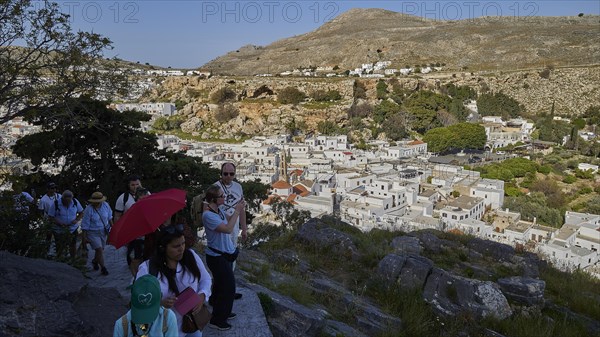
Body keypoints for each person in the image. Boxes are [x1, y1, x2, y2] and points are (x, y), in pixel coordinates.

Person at [136, 225, 212, 337]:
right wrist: (159, 303)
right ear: (163, 248)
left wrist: (202, 295)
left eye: (183, 243)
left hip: (192, 324)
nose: (181, 249)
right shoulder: (147, 269)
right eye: (176, 246)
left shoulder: (191, 257)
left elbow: (205, 279)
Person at [202, 185, 245, 331]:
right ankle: (218, 319)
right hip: (216, 256)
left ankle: (218, 305)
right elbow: (227, 229)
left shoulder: (218, 210)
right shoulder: (208, 215)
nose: (224, 197)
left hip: (222, 254)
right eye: (221, 196)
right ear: (214, 199)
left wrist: (237, 209)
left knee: (220, 284)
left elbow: (229, 220)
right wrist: (238, 211)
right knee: (229, 287)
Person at [214, 162, 246, 300]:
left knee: (232, 258)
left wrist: (244, 228)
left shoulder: (238, 187)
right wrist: (231, 217)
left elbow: (242, 208)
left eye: (231, 174)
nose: (228, 176)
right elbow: (212, 208)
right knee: (222, 258)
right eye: (225, 173)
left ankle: (229, 290)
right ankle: (220, 292)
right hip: (220, 228)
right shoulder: (215, 187)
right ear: (221, 173)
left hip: (234, 229)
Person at [113, 274, 178, 337]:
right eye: (140, 312)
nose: (144, 320)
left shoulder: (168, 318)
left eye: (149, 312)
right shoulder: (122, 325)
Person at [114, 175, 148, 276]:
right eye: (133, 185)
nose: (135, 186)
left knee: (145, 255)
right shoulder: (122, 199)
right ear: (128, 186)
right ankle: (136, 277)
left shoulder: (147, 193)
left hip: (146, 231)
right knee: (134, 256)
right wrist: (121, 233)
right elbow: (117, 217)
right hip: (131, 232)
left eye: (137, 184)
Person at [81, 191, 113, 275]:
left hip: (103, 231)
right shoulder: (89, 209)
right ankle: (103, 268)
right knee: (99, 249)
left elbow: (110, 218)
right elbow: (85, 224)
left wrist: (113, 229)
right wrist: (84, 237)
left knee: (100, 250)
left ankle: (95, 261)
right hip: (92, 232)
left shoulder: (106, 205)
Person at [48, 190, 83, 259]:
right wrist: (58, 223)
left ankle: (73, 261)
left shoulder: (75, 202)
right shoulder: (56, 203)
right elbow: (50, 217)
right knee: (60, 246)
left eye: (69, 201)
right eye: (66, 202)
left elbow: (81, 212)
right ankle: (60, 260)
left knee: (72, 245)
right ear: (62, 199)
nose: (67, 203)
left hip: (72, 229)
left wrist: (77, 220)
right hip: (59, 229)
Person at [38, 182, 61, 256]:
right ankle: (46, 252)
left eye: (54, 188)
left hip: (58, 218)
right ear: (47, 189)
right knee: (48, 237)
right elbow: (41, 211)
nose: (54, 190)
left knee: (58, 237)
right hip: (48, 220)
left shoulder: (59, 196)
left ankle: (59, 253)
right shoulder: (43, 200)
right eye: (52, 188)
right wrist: (44, 220)